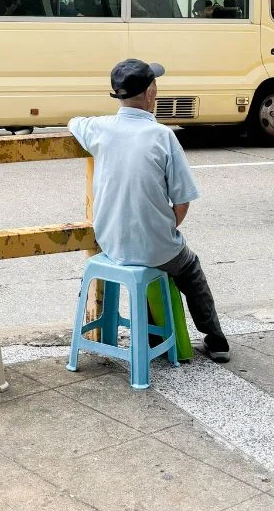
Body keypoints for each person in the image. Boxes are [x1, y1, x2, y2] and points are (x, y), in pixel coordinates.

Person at [68, 57, 230, 362]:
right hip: (156, 247)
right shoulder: (162, 136)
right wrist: (164, 227)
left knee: (157, 262)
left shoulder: (99, 128)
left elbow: (74, 122)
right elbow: (182, 202)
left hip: (110, 243)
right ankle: (215, 339)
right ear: (150, 93)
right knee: (189, 267)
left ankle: (154, 332)